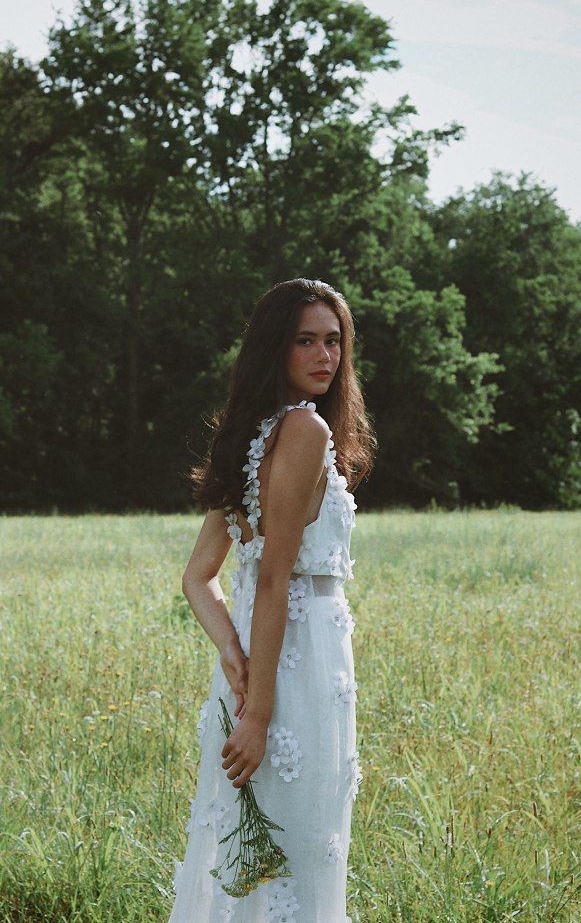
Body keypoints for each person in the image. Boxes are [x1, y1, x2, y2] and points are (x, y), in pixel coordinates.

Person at [168, 278, 376, 922]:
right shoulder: (305, 431)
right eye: (305, 341)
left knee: (256, 849)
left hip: (260, 660)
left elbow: (199, 579)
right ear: (274, 349)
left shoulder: (252, 437)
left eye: (334, 341)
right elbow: (277, 577)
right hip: (300, 663)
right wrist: (258, 714)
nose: (325, 355)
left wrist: (233, 655)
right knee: (302, 844)